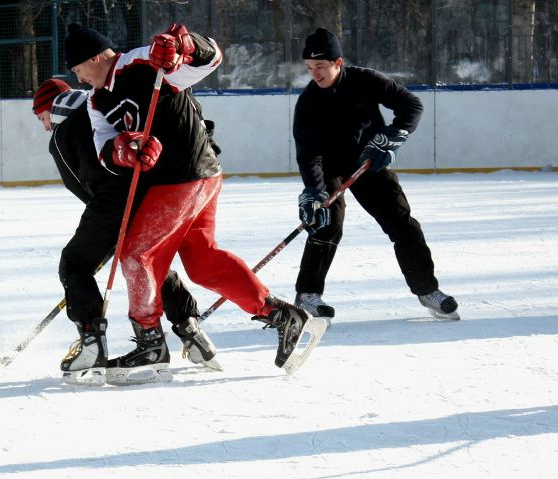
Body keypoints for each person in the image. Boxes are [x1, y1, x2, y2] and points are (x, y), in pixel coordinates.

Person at [63, 22, 324, 383]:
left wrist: (187, 45)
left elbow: (210, 59)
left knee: (137, 255)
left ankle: (150, 343)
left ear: (94, 57)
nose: (78, 79)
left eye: (78, 70)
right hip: (190, 179)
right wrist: (124, 151)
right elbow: (104, 147)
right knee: (202, 262)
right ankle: (283, 316)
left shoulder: (141, 62)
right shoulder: (96, 101)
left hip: (184, 174)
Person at [31, 77, 220, 385]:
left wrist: (106, 232)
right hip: (150, 194)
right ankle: (191, 331)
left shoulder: (62, 133)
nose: (44, 127)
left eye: (42, 118)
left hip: (111, 204)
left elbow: (84, 186)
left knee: (74, 263)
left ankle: (91, 344)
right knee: (149, 262)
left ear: (50, 110)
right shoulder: (104, 108)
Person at [291, 28, 459, 321]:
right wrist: (314, 192)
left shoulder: (365, 80)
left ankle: (427, 290)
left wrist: (394, 135)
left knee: (402, 223)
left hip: (368, 162)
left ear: (337, 63)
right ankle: (308, 294)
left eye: (320, 67)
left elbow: (411, 105)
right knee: (327, 225)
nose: (314, 74)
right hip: (330, 168)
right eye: (309, 68)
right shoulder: (308, 102)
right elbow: (309, 155)